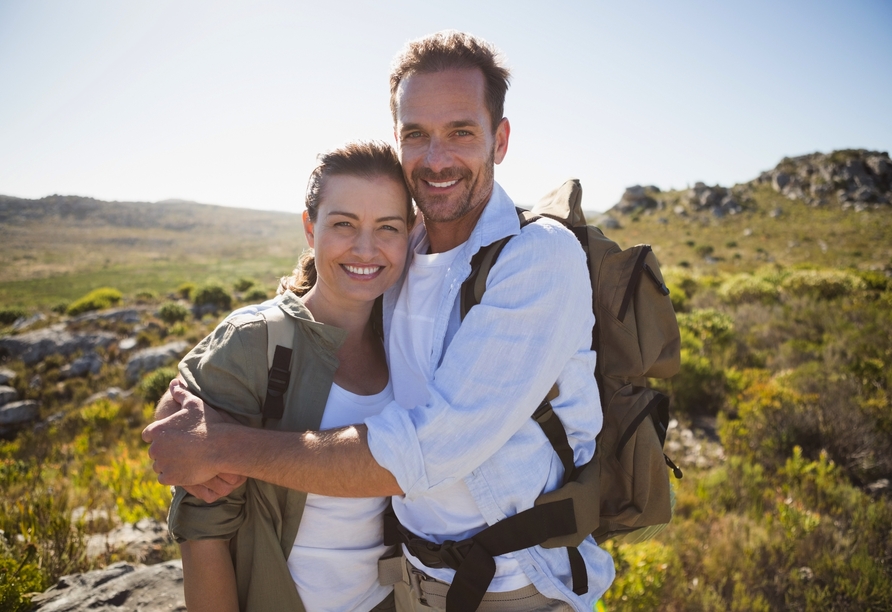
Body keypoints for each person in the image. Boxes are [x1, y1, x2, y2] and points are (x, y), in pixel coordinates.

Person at [144, 30, 615, 611]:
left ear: (501, 139)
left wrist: (223, 447)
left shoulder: (538, 257)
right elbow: (317, 300)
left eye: (461, 132)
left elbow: (421, 452)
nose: (437, 158)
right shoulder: (402, 247)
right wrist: (193, 393)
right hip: (407, 584)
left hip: (516, 588)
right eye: (416, 134)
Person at [166, 141, 413, 612]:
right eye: (343, 224)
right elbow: (203, 535)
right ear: (309, 227)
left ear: (411, 233)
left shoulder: (409, 341)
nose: (366, 248)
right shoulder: (255, 340)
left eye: (388, 227)